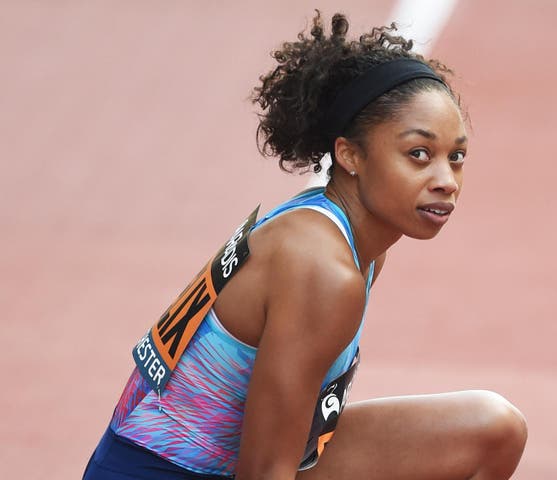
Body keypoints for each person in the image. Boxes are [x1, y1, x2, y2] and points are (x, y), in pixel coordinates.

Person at [83, 11, 527, 480]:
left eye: (455, 157)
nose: (445, 181)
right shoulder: (322, 268)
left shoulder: (351, 239)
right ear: (349, 155)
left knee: (492, 429)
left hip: (224, 462)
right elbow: (264, 471)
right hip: (158, 472)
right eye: (418, 154)